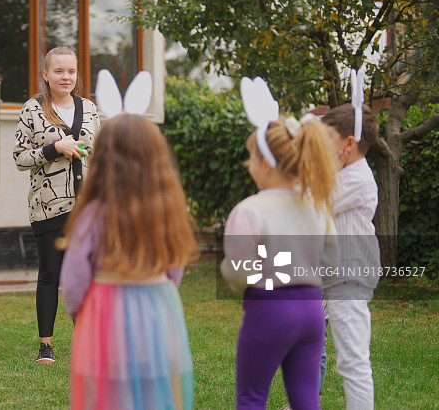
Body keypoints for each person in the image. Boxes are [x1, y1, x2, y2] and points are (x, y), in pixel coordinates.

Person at [58, 113, 197, 409]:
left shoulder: (93, 213)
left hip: (105, 310)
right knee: (153, 385)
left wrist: (80, 310)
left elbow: (74, 277)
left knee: (106, 389)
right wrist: (162, 291)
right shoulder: (168, 209)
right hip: (157, 306)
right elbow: (175, 265)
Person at [220, 114, 340, 409]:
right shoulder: (317, 206)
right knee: (306, 400)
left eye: (251, 158)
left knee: (251, 397)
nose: (248, 165)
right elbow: (331, 262)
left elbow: (238, 273)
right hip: (312, 313)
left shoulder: (249, 211)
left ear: (266, 164)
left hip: (269, 311)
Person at [13, 46, 100, 364]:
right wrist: (54, 148)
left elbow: (99, 153)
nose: (66, 77)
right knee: (50, 273)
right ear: (46, 75)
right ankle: (45, 346)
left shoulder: (89, 108)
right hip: (48, 205)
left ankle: (86, 342)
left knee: (85, 275)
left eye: (71, 71)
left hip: (86, 209)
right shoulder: (32, 109)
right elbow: (20, 158)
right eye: (59, 71)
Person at [320, 103, 380, 409]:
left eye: (328, 139)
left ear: (348, 143)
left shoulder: (355, 179)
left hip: (350, 278)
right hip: (339, 277)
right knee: (350, 360)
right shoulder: (346, 173)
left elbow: (312, 201)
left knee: (352, 362)